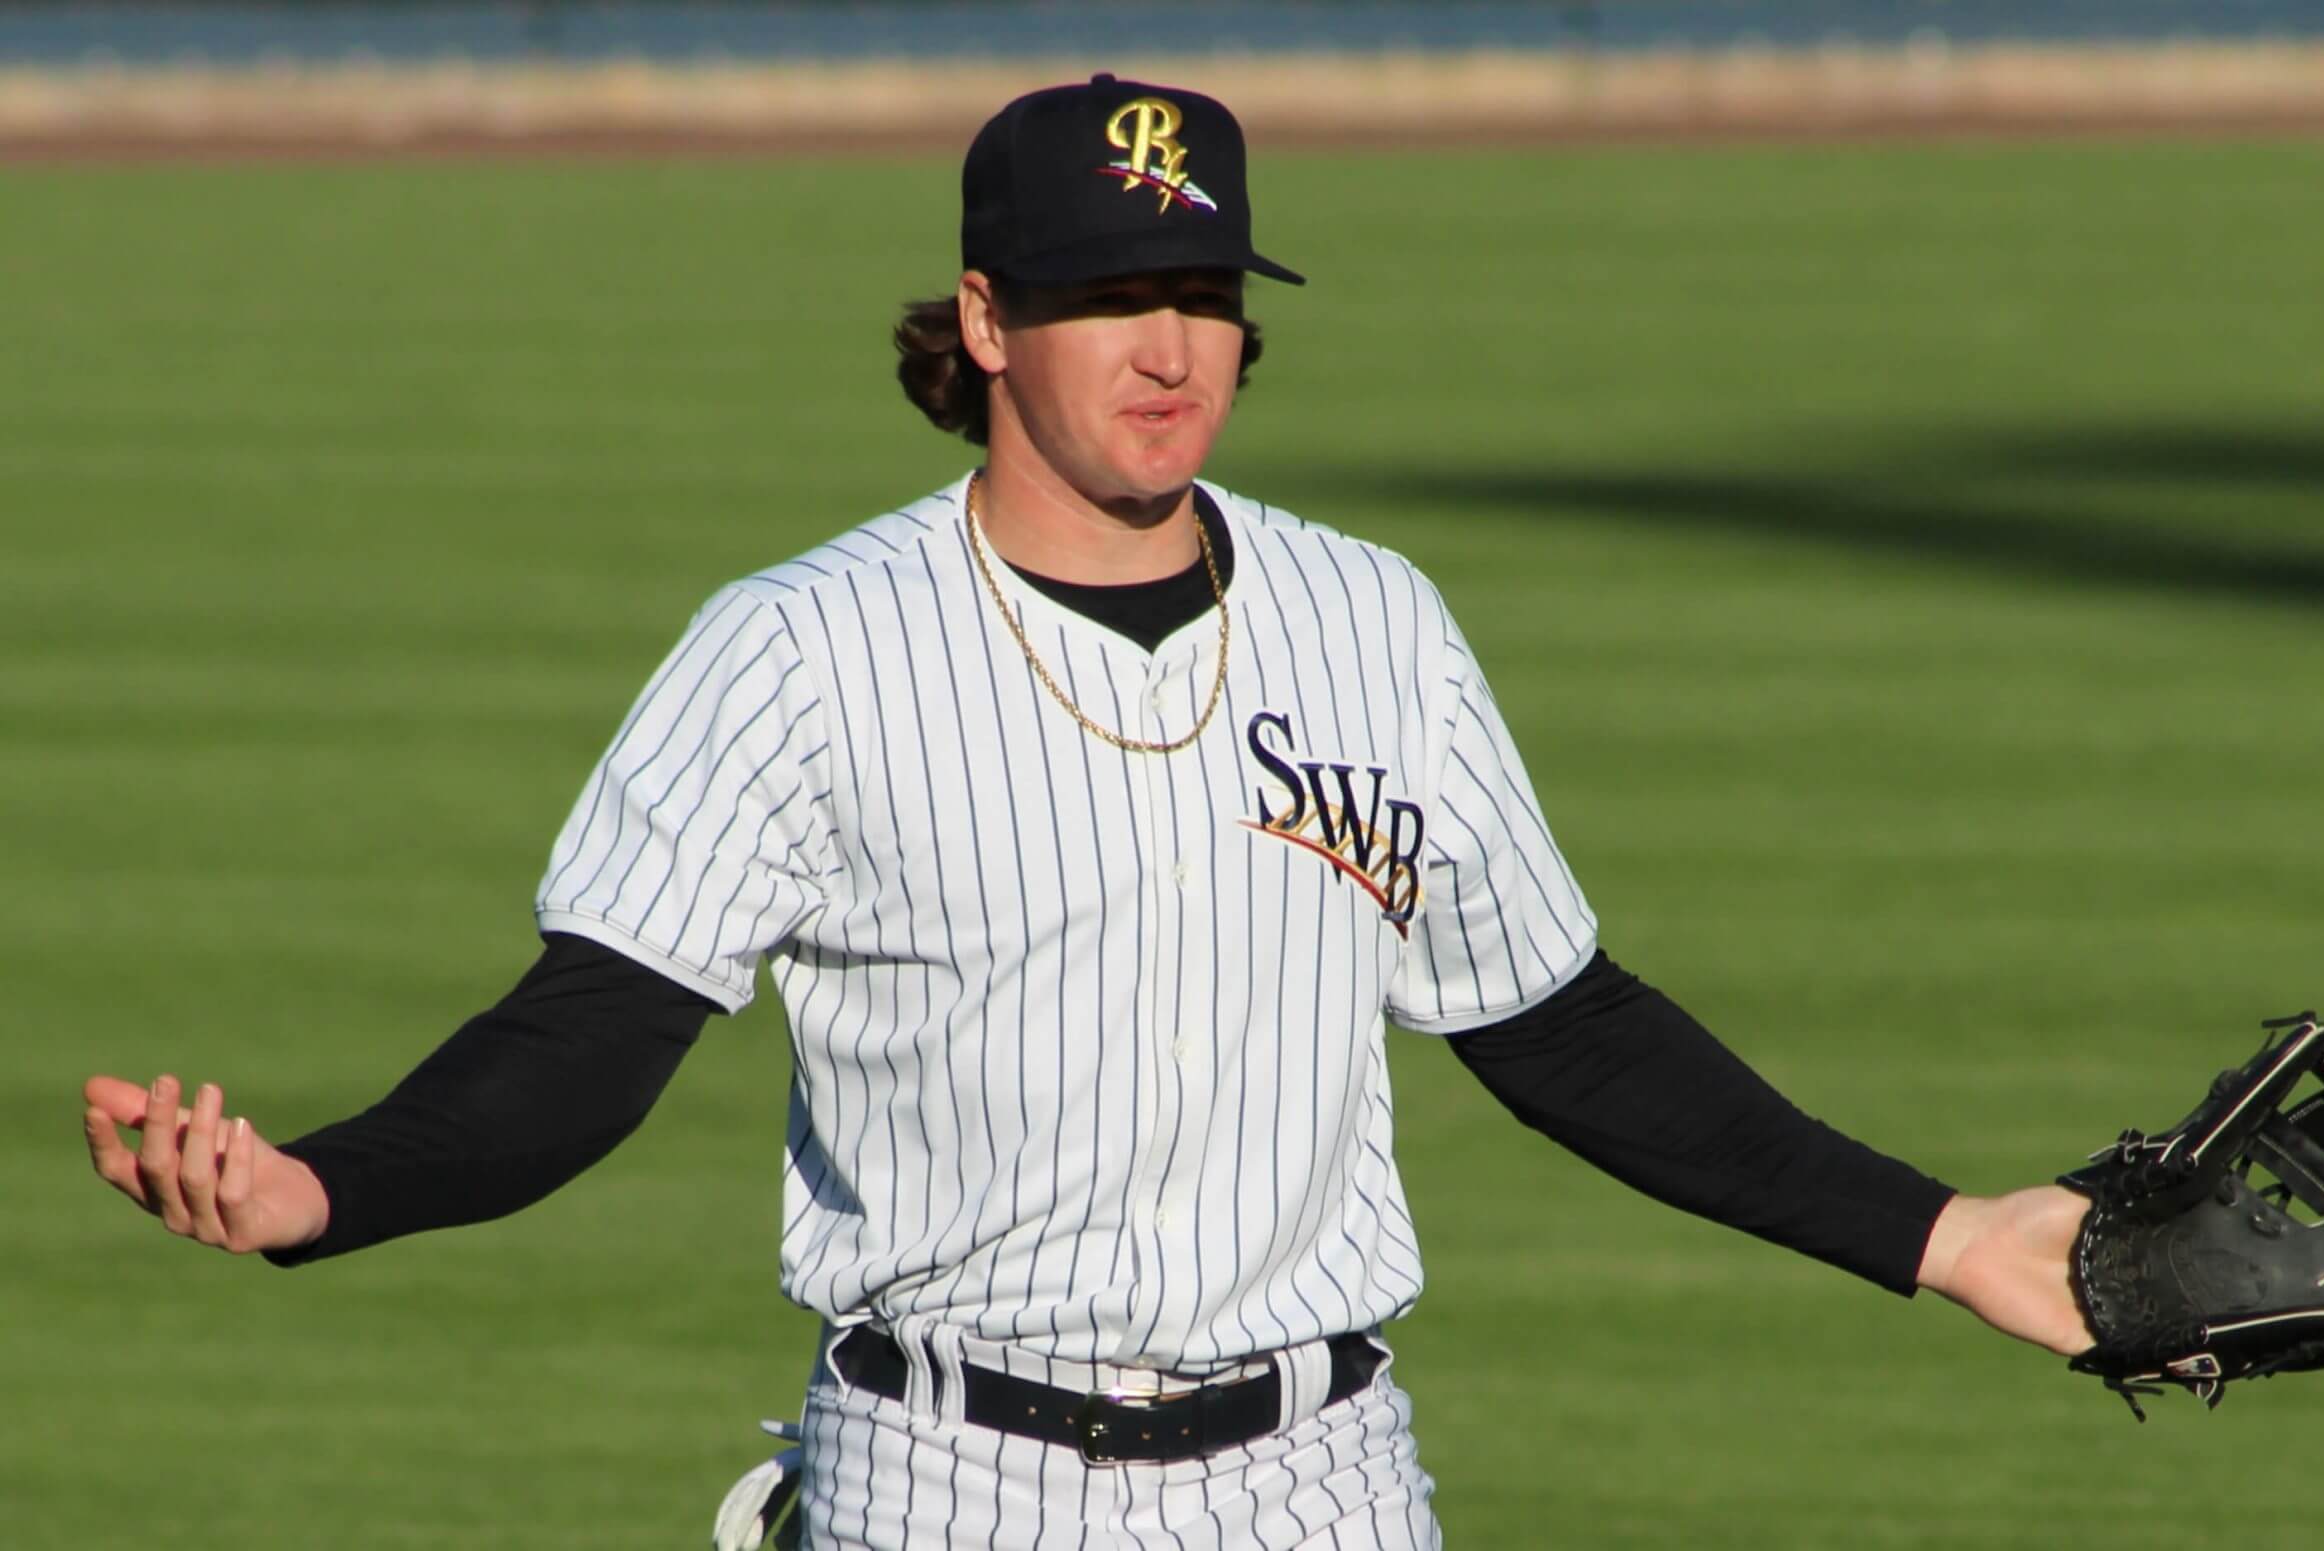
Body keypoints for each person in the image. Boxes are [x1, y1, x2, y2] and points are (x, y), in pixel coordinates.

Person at [82, 75, 2093, 1550]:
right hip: (945, 1476)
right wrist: (319, 1192)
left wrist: (1943, 1233)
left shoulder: (1370, 619)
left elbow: (1556, 1023)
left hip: (1320, 1478)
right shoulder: (801, 646)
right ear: (980, 321)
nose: (1168, 343)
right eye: (1110, 291)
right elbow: (590, 1032)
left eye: (1202, 287)